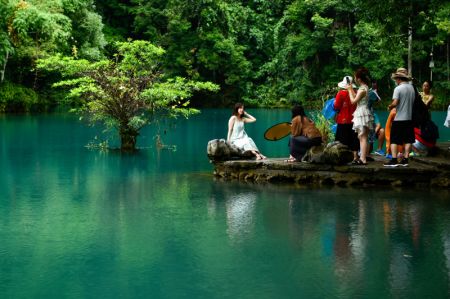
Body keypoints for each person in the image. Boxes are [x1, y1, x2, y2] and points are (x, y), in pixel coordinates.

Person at [384, 69, 415, 167]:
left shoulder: (398, 89)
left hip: (399, 118)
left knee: (394, 140)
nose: (396, 81)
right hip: (409, 118)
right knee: (408, 139)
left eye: (396, 79)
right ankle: (405, 159)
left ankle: (394, 160)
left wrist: (390, 106)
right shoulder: (412, 88)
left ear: (399, 79)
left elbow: (395, 102)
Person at [347, 67, 374, 165]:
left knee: (362, 136)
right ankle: (363, 157)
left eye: (355, 77)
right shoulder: (364, 87)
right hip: (364, 111)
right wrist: (352, 91)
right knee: (363, 136)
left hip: (361, 112)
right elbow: (357, 97)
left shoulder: (362, 89)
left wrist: (350, 90)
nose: (354, 78)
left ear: (358, 78)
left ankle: (363, 159)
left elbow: (353, 101)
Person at [334, 76, 359, 162]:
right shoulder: (356, 92)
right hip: (355, 119)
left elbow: (336, 106)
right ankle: (355, 156)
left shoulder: (341, 93)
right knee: (354, 138)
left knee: (342, 139)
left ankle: (342, 157)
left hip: (343, 119)